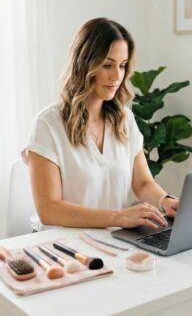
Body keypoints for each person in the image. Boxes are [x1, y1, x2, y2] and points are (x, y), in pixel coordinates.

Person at [24, 17, 179, 229]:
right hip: (63, 246)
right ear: (84, 65)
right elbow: (49, 209)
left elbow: (143, 183)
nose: (117, 75)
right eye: (107, 65)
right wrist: (118, 218)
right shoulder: (48, 124)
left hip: (112, 240)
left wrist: (165, 200)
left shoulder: (124, 119)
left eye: (122, 65)